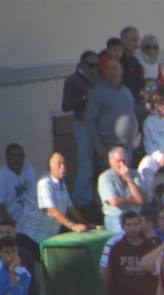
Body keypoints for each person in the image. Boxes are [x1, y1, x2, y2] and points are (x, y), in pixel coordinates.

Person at [62, 50, 101, 208]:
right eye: (91, 65)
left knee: (97, 163)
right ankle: (81, 201)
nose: (94, 69)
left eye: (97, 65)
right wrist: (85, 97)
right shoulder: (72, 80)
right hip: (83, 124)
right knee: (86, 165)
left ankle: (94, 200)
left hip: (97, 124)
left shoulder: (98, 79)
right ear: (82, 64)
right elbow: (65, 106)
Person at [84, 57, 140, 164]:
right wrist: (98, 146)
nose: (112, 72)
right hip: (109, 148)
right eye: (109, 69)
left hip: (128, 147)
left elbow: (133, 115)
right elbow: (90, 121)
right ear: (104, 72)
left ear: (121, 70)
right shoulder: (98, 92)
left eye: (115, 68)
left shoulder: (126, 92)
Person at [31, 152, 88, 244]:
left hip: (46, 237)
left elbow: (70, 208)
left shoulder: (61, 182)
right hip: (31, 235)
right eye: (59, 164)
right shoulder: (44, 183)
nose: (63, 167)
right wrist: (72, 226)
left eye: (64, 164)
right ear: (51, 166)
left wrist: (84, 223)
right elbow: (51, 210)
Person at [98, 146, 146, 235]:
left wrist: (129, 180)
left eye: (124, 161)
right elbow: (114, 201)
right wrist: (134, 200)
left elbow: (141, 199)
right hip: (116, 216)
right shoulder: (105, 178)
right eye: (118, 161)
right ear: (110, 162)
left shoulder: (135, 174)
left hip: (135, 215)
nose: (122, 164)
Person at [0, 143, 38, 227]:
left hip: (31, 218)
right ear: (7, 158)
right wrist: (12, 222)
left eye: (20, 155)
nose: (17, 159)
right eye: (14, 156)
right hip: (14, 220)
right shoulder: (2, 176)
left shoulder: (27, 167)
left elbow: (37, 189)